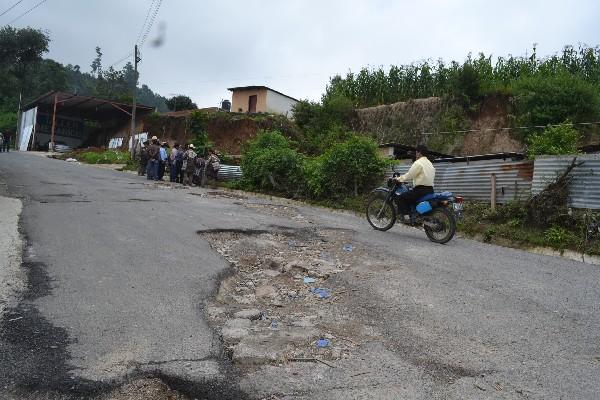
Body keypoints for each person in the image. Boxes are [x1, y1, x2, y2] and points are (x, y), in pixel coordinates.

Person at [394, 144, 435, 223]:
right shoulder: (430, 163)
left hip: (420, 191)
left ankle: (406, 218)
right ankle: (416, 216)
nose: (416, 154)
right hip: (430, 190)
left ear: (419, 153)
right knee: (411, 198)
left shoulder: (418, 163)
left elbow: (410, 175)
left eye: (416, 152)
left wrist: (398, 179)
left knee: (401, 197)